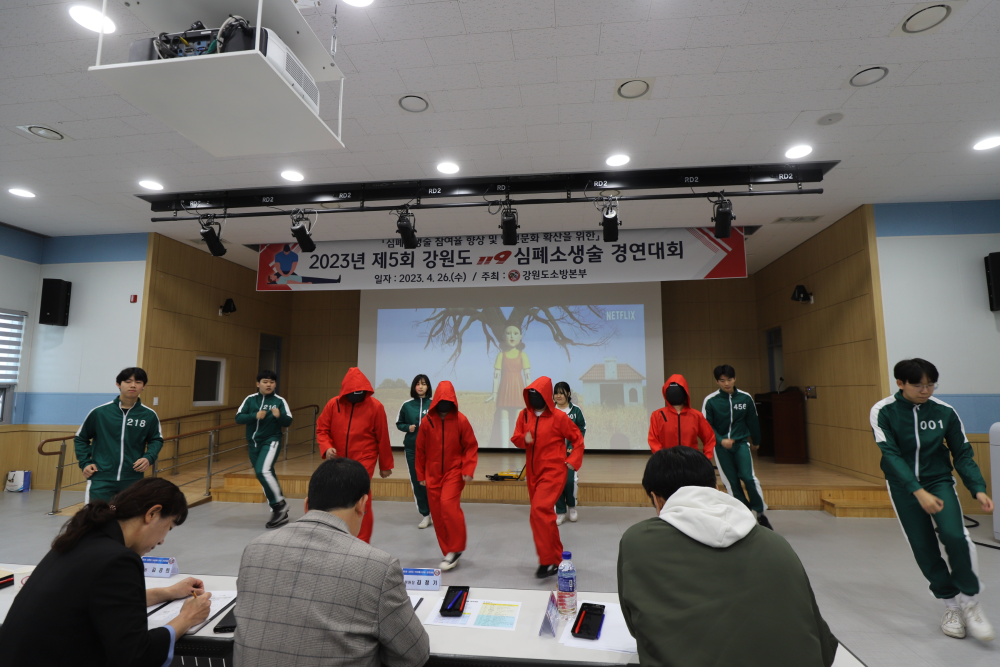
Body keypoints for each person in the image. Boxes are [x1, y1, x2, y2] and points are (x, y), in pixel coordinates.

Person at [618, 447, 839, 667]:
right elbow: (824, 648)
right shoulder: (776, 544)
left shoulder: (638, 542)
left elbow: (639, 630)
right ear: (716, 489)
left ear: (657, 500)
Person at [234, 457, 430, 667]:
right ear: (362, 504)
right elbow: (414, 654)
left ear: (307, 504)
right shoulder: (378, 567)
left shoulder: (254, 550)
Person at [0, 478, 213, 667]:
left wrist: (167, 592)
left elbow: (98, 602)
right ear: (152, 513)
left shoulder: (84, 537)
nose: (162, 541)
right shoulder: (118, 559)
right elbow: (136, 655)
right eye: (169, 527)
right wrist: (186, 618)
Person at [870, 358, 995, 641]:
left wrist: (977, 488)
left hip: (938, 481)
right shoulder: (883, 411)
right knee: (923, 545)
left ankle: (970, 603)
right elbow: (891, 455)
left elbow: (962, 452)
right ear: (900, 383)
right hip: (903, 487)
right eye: (918, 385)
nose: (926, 390)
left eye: (931, 385)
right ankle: (951, 606)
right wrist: (916, 490)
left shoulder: (944, 411)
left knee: (956, 536)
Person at [511, 377, 584, 578]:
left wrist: (573, 459)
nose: (533, 398)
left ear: (545, 396)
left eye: (536, 394)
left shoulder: (559, 417)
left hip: (553, 472)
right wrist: (523, 439)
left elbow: (577, 438)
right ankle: (558, 558)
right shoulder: (524, 415)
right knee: (544, 517)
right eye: (530, 394)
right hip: (533, 473)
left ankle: (546, 561)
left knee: (538, 511)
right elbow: (516, 438)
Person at [317, 367, 393, 543]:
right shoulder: (333, 404)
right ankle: (343, 537)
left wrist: (385, 465)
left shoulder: (376, 407)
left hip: (364, 459)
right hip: (338, 460)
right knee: (340, 499)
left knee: (361, 498)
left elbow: (382, 437)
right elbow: (322, 429)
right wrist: (327, 447)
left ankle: (362, 541)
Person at [75, 367, 164, 503]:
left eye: (138, 382)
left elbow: (156, 439)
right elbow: (81, 438)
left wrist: (149, 457)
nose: (133, 385)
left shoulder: (149, 415)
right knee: (99, 514)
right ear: (118, 384)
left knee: (127, 515)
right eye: (128, 381)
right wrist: (85, 462)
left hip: (133, 479)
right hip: (101, 478)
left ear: (144, 386)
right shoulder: (100, 412)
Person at [415, 381, 478, 571]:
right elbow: (420, 450)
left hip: (454, 471)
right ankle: (449, 550)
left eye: (448, 400)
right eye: (441, 400)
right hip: (432, 473)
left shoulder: (461, 420)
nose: (444, 403)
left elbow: (470, 446)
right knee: (437, 513)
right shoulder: (427, 421)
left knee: (448, 506)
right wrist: (421, 474)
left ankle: (456, 548)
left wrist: (468, 469)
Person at [702, 365, 771, 529]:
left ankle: (760, 512)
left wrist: (756, 441)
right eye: (722, 380)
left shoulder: (745, 398)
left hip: (741, 443)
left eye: (730, 379)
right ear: (717, 381)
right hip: (721, 447)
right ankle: (744, 514)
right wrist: (721, 440)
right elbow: (706, 426)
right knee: (732, 482)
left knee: (748, 477)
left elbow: (753, 420)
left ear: (735, 379)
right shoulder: (710, 401)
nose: (726, 383)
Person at [235, 370, 293, 529]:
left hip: (271, 440)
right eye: (265, 382)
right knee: (264, 473)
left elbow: (288, 421)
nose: (269, 385)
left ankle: (279, 505)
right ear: (258, 384)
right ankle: (278, 510)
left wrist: (279, 416)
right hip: (253, 443)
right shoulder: (250, 399)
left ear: (275, 384)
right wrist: (254, 416)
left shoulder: (279, 401)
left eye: (272, 382)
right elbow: (238, 418)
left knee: (263, 471)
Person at [647, 374, 716, 460]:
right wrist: (662, 458)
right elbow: (653, 440)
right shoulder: (657, 415)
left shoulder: (696, 415)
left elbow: (709, 438)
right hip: (667, 462)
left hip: (691, 462)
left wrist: (706, 459)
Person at [396, 374, 433, 529]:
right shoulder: (407, 405)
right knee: (418, 482)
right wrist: (407, 427)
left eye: (423, 384)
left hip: (431, 450)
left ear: (428, 386)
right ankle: (425, 515)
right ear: (414, 387)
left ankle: (436, 512)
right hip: (412, 449)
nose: (420, 386)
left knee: (432, 481)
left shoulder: (434, 404)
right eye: (418, 384)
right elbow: (399, 423)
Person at [488, 322, 531, 446]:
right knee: (503, 416)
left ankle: (516, 446)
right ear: (503, 336)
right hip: (504, 388)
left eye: (515, 333)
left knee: (518, 418)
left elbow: (527, 376)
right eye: (508, 333)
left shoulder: (523, 355)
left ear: (520, 336)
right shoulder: (501, 355)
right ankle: (504, 447)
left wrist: (530, 392)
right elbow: (496, 375)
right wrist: (494, 392)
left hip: (518, 388)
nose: (512, 336)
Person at [552, 381, 586, 526]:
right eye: (556, 393)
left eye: (561, 393)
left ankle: (572, 508)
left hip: (571, 453)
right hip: (554, 454)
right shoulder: (550, 410)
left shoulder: (576, 411)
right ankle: (560, 512)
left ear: (568, 394)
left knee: (570, 481)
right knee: (556, 481)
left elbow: (581, 429)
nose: (558, 396)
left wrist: (572, 446)